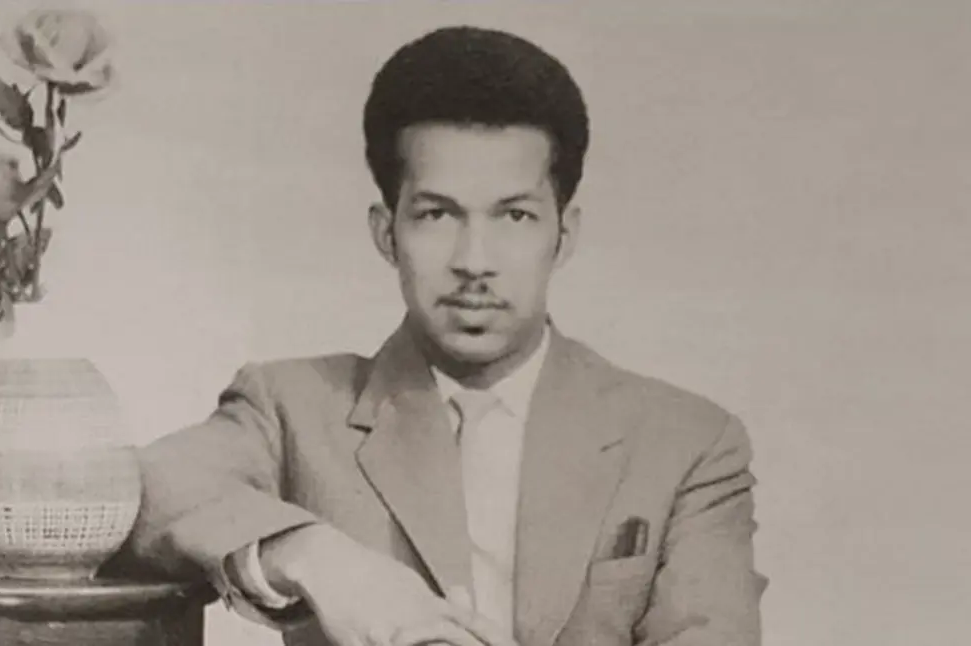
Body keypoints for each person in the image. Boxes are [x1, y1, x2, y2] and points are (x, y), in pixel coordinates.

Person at [108, 24, 767, 646]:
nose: (474, 259)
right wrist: (318, 557)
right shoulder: (294, 409)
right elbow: (144, 488)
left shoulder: (687, 444)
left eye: (514, 215)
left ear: (563, 235)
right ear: (385, 233)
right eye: (436, 214)